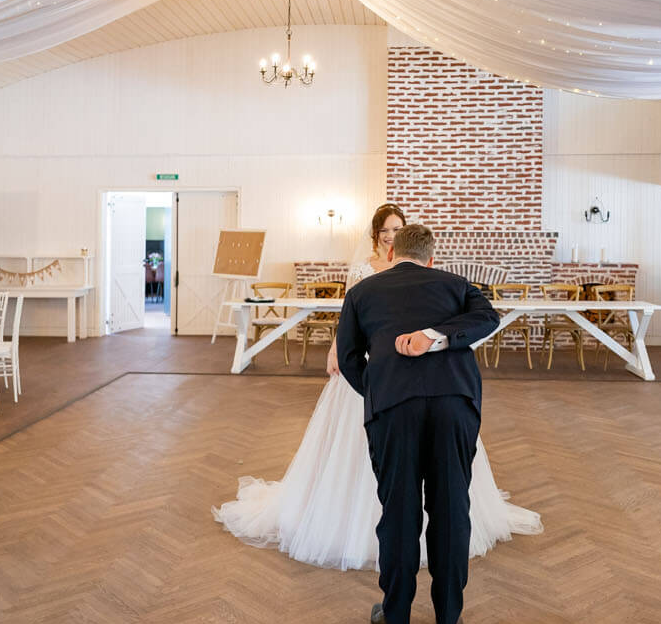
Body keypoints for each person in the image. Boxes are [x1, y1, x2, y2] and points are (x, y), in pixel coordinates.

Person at [213, 204, 540, 576]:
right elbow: (349, 321)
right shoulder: (364, 272)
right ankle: (359, 531)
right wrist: (344, 358)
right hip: (378, 372)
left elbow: (468, 317)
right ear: (377, 236)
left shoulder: (437, 279)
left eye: (397, 229)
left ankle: (411, 564)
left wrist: (433, 338)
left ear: (404, 238)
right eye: (386, 230)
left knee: (431, 471)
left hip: (424, 372)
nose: (390, 235)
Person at [336, 223, 499, 624]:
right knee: (450, 507)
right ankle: (447, 622)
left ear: (392, 254)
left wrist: (381, 388)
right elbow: (489, 317)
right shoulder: (457, 285)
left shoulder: (362, 293)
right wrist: (439, 336)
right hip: (454, 404)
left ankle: (396, 623)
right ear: (432, 258)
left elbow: (349, 358)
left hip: (393, 408)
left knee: (399, 509)